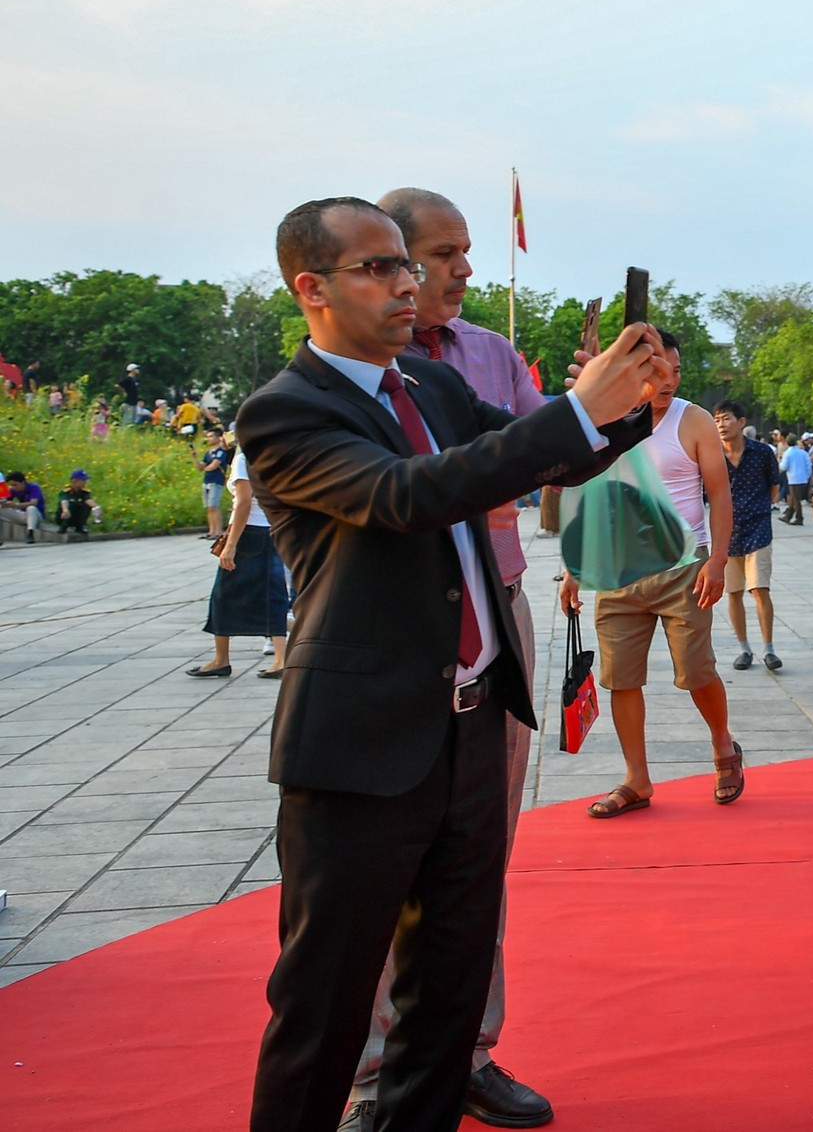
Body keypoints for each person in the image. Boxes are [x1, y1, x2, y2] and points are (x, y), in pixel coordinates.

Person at [238, 196, 666, 1132]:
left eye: (407, 264)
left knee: (451, 985)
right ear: (310, 289)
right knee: (327, 1003)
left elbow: (532, 461)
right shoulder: (284, 413)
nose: (409, 283)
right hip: (363, 743)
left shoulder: (429, 388)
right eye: (379, 269)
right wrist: (575, 411)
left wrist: (632, 411)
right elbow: (408, 496)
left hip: (472, 723)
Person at [329, 187, 558, 1130]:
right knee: (385, 862)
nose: (463, 270)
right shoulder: (344, 380)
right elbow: (422, 485)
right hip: (397, 634)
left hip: (495, 615)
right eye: (438, 254)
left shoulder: (489, 354)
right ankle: (379, 1074)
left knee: (479, 853)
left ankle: (466, 1049)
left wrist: (623, 407)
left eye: (466, 251)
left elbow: (553, 449)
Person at [558, 334, 744, 820]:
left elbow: (719, 496)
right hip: (617, 569)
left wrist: (718, 560)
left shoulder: (694, 420)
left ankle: (723, 744)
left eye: (676, 372)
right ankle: (636, 779)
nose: (668, 381)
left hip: (684, 568)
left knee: (696, 671)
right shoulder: (607, 420)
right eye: (658, 370)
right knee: (620, 677)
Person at [188, 447, 290, 680]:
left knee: (223, 595)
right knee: (273, 594)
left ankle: (221, 659)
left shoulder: (245, 457)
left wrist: (231, 544)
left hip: (248, 531)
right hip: (271, 529)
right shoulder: (274, 454)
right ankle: (280, 658)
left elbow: (243, 502)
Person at [714, 400, 783, 673]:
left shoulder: (762, 452)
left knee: (759, 588)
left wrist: (761, 508)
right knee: (733, 592)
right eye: (716, 419)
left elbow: (774, 486)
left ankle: (768, 648)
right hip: (726, 531)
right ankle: (744, 648)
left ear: (741, 422)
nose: (720, 424)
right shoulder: (711, 454)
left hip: (758, 529)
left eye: (726, 418)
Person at [197, 427, 231, 538]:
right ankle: (211, 531)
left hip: (216, 481)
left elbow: (213, 466)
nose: (209, 439)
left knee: (214, 506)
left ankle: (218, 531)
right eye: (208, 437)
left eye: (211, 436)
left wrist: (206, 467)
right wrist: (195, 458)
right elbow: (200, 467)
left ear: (218, 437)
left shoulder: (221, 452)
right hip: (207, 480)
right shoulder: (208, 453)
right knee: (209, 507)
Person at [1, 470, 45, 543]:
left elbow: (33, 503)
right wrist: (4, 503)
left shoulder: (33, 487)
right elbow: (5, 500)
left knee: (31, 508)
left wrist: (16, 505)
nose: (13, 487)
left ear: (22, 482)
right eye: (11, 485)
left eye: (15, 485)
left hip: (36, 516)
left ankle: (30, 533)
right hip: (23, 515)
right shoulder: (13, 490)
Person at [54, 470, 99, 536]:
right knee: (69, 505)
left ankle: (81, 526)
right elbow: (64, 501)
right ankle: (64, 526)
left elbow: (88, 500)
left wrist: (96, 508)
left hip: (77, 518)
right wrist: (65, 510)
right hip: (65, 517)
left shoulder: (84, 492)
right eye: (83, 480)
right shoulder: (66, 491)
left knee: (85, 505)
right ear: (75, 481)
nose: (85, 483)